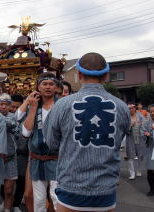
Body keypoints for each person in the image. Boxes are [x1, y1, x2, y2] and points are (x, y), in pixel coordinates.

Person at [44, 52, 130, 212]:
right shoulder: (122, 107)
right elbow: (119, 140)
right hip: (106, 190)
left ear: (79, 74)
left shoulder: (62, 105)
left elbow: (51, 143)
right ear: (105, 75)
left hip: (71, 187)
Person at [17, 72, 59, 212]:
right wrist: (33, 107)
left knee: (57, 198)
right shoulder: (33, 106)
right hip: (37, 160)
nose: (48, 87)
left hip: (57, 159)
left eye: (51, 84)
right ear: (38, 87)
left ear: (56, 87)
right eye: (44, 84)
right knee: (38, 200)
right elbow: (25, 133)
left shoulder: (62, 105)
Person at [0, 93, 19, 212]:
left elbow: (9, 125)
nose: (4, 107)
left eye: (6, 104)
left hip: (10, 157)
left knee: (9, 190)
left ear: (10, 106)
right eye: (1, 104)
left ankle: (6, 209)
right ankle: (2, 204)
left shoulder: (12, 117)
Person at [126, 103, 146, 179]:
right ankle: (132, 173)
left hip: (139, 137)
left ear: (135, 108)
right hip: (130, 138)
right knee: (130, 156)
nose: (131, 109)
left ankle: (139, 170)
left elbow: (144, 124)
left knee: (140, 155)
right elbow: (124, 128)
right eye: (129, 108)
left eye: (132, 108)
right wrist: (130, 126)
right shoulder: (126, 117)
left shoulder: (140, 115)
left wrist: (140, 125)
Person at [142, 104, 154, 196]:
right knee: (150, 170)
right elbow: (143, 132)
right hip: (150, 148)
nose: (152, 113)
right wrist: (147, 135)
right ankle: (152, 189)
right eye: (151, 112)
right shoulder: (146, 122)